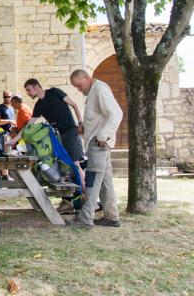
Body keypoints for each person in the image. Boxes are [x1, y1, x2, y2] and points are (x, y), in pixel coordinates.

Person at [68, 69, 123, 228]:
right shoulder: (95, 90)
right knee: (105, 181)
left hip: (98, 143)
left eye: (79, 85)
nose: (79, 89)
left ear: (86, 77)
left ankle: (85, 219)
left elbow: (116, 113)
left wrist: (103, 136)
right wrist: (85, 127)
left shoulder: (99, 89)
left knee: (92, 180)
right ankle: (112, 217)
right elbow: (100, 117)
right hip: (97, 141)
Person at [23, 78, 85, 192]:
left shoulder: (54, 92)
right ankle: (71, 202)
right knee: (64, 169)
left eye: (28, 90)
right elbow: (28, 126)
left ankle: (91, 201)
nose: (27, 93)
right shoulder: (39, 105)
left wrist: (80, 123)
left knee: (76, 166)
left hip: (71, 132)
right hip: (58, 139)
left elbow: (75, 105)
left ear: (36, 87)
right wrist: (14, 140)